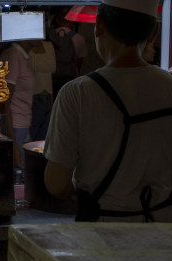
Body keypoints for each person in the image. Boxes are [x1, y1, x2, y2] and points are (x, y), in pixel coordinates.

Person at [44, 0, 172, 223]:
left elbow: (56, 183)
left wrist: (76, 188)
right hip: (163, 235)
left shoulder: (77, 93)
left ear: (99, 24)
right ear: (154, 33)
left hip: (102, 234)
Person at [0, 40, 37, 184]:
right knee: (17, 177)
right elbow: (4, 100)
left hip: (22, 124)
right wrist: (13, 143)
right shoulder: (13, 55)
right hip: (14, 125)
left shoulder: (24, 56)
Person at [50, 6, 87, 100]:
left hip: (52, 79)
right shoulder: (79, 38)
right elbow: (79, 63)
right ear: (72, 19)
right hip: (71, 79)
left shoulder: (49, 37)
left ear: (57, 19)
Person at [28, 40, 56, 141]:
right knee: (32, 138)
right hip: (33, 97)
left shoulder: (49, 45)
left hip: (48, 96)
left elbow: (51, 72)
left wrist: (52, 101)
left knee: (45, 139)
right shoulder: (27, 45)